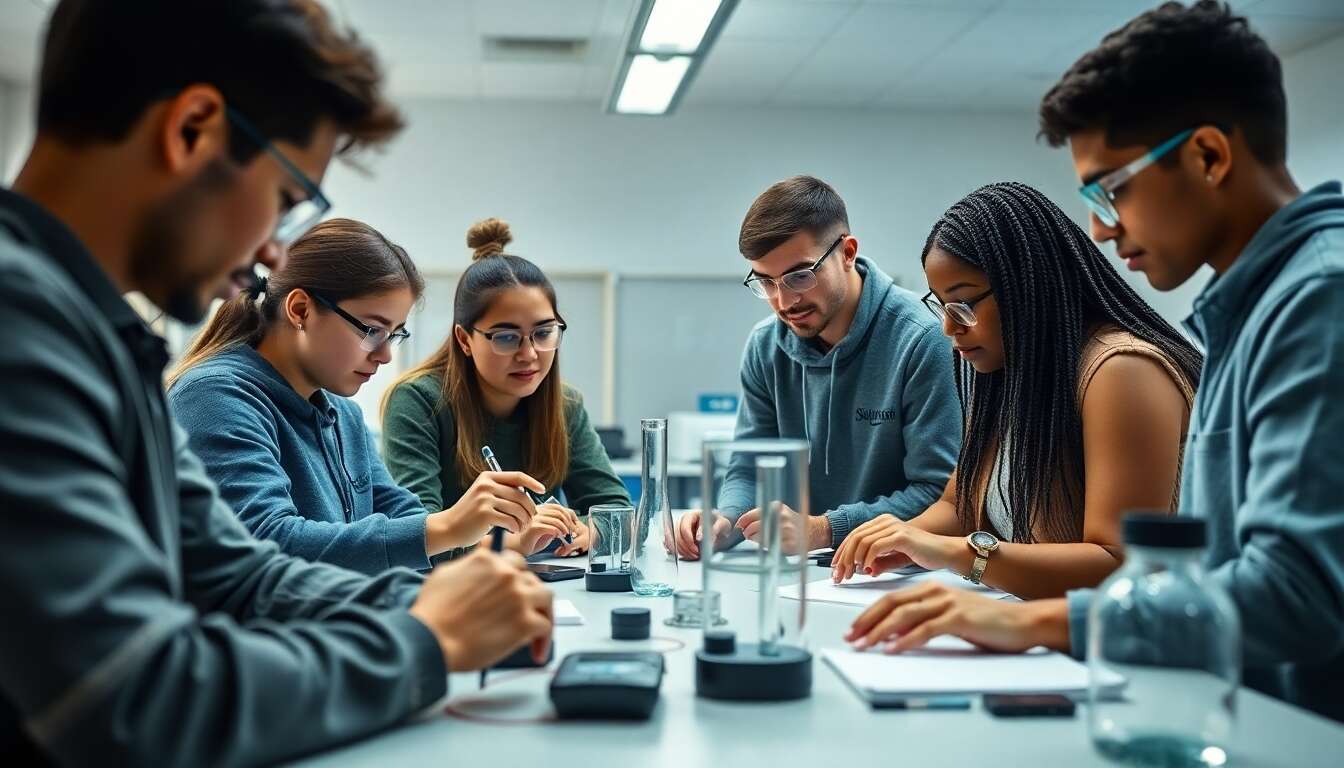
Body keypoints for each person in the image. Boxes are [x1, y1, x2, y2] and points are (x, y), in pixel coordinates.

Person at [0, 2, 552, 763]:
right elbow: (132, 698)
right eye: (287, 198)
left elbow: (239, 576)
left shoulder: (91, 334)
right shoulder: (19, 324)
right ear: (192, 128)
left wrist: (425, 603)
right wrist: (424, 642)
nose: (267, 249)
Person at [843, 0, 1344, 723]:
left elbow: (1296, 595)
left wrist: (1031, 622)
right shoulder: (1256, 305)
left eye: (1112, 189)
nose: (1103, 228)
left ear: (1209, 155)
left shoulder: (1318, 299)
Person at [830, 182, 1200, 599]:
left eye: (964, 304)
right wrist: (901, 538)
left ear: (1027, 287)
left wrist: (957, 554)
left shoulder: (1122, 371)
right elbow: (957, 506)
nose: (950, 329)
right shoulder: (1010, 369)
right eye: (942, 307)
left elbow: (1116, 564)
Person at [167, 218, 574, 574]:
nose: (384, 355)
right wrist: (448, 526)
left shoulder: (341, 414)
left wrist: (486, 539)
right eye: (371, 330)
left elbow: (401, 519)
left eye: (394, 334)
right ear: (301, 310)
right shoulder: (216, 396)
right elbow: (269, 544)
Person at [674, 175, 961, 558]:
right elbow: (748, 468)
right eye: (766, 283)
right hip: (801, 575)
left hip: (895, 574)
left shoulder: (923, 339)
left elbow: (938, 495)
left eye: (799, 276)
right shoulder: (765, 345)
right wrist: (726, 522)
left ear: (847, 253)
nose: (783, 300)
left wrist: (826, 530)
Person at [382, 218, 628, 559]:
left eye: (543, 333)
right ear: (465, 340)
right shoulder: (417, 401)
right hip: (453, 595)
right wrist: (511, 544)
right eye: (506, 337)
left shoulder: (565, 404)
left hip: (547, 586)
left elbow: (615, 509)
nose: (528, 355)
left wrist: (589, 531)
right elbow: (416, 535)